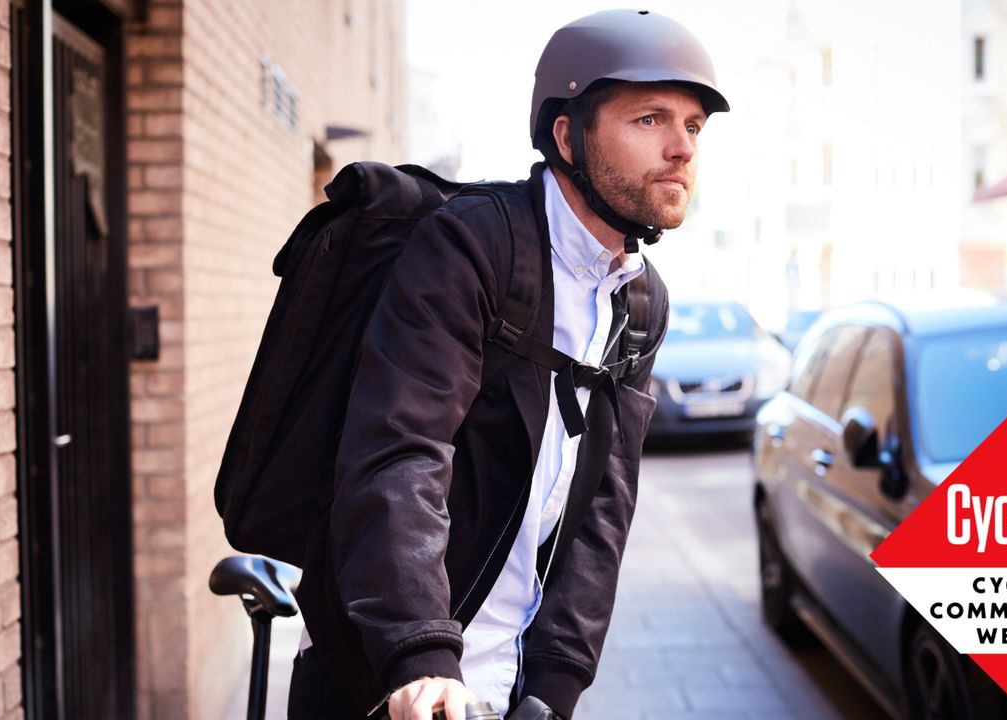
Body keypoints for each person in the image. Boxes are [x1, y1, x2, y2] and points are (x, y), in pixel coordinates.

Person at [287, 10, 729, 720]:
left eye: (695, 126)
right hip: (386, 676)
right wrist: (419, 651)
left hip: (511, 683)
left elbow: (603, 513)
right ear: (567, 135)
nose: (682, 147)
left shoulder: (640, 300)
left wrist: (557, 683)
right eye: (650, 120)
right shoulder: (474, 246)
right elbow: (400, 449)